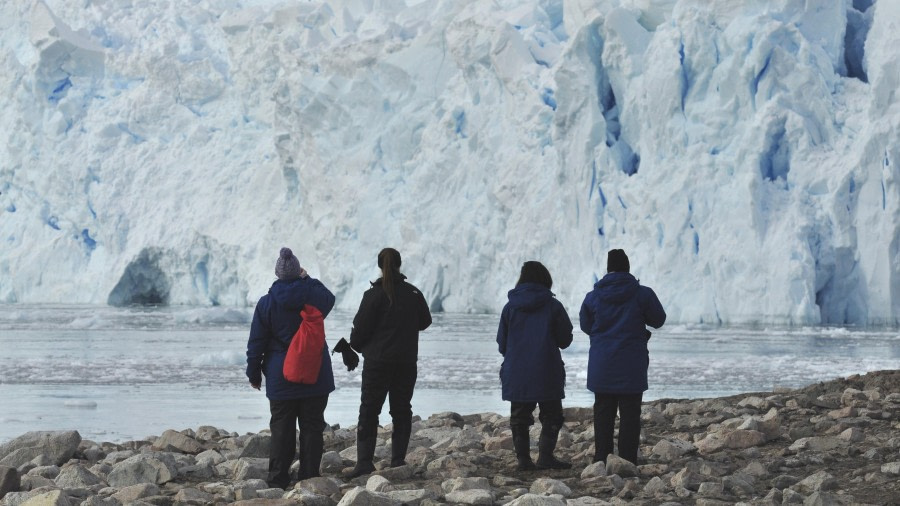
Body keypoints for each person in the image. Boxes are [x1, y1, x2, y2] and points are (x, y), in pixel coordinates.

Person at [246, 247, 336, 489]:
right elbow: (330, 298)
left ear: (277, 275)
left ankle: (277, 479)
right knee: (312, 427)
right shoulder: (314, 297)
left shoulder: (266, 304)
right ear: (298, 272)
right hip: (315, 373)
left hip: (280, 377)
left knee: (282, 429)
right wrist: (308, 279)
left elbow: (256, 343)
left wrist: (253, 374)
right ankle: (309, 478)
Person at [345, 247, 432, 478]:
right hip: (405, 361)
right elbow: (425, 321)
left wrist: (360, 346)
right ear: (399, 264)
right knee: (401, 409)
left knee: (370, 409)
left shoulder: (373, 295)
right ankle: (397, 460)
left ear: (379, 265)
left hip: (377, 362)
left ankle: (364, 462)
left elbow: (359, 331)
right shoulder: (413, 293)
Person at [579, 249, 666, 465]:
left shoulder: (593, 297)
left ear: (608, 269)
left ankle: (602, 457)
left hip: (602, 362)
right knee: (630, 412)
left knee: (603, 411)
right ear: (628, 268)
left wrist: (602, 336)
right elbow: (658, 319)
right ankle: (627, 459)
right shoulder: (642, 294)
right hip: (632, 362)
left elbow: (585, 325)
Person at [497, 261, 574, 471]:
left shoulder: (510, 307)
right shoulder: (553, 306)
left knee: (519, 417)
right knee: (552, 415)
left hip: (517, 371)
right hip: (547, 369)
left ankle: (523, 460)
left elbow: (501, 342)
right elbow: (565, 339)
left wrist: (515, 356)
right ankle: (545, 457)